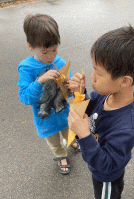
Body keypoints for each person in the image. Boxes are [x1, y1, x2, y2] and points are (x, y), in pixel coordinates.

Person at [68, 25, 134, 199]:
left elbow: (106, 164)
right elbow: (91, 106)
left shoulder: (128, 126)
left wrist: (84, 135)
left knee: (105, 191)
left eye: (98, 73)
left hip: (105, 171)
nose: (92, 77)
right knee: (116, 186)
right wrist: (80, 93)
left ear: (125, 81)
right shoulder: (105, 93)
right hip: (115, 166)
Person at [18, 14, 79, 175]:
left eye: (54, 50)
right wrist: (40, 81)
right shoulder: (26, 68)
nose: (51, 56)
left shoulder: (59, 62)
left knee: (69, 133)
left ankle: (72, 142)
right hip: (45, 118)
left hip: (64, 112)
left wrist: (70, 86)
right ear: (30, 46)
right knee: (54, 141)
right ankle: (61, 156)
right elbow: (24, 97)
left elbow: (70, 91)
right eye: (45, 52)